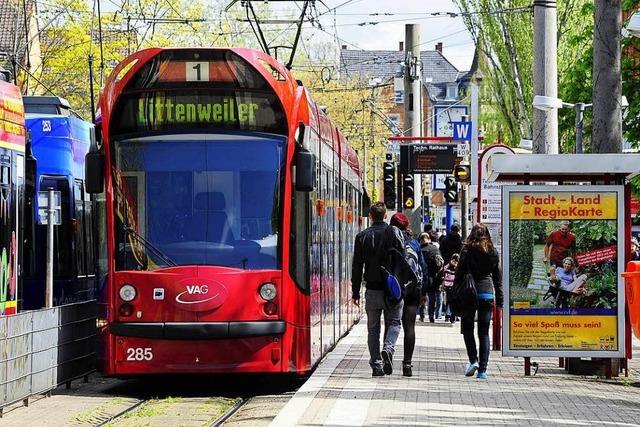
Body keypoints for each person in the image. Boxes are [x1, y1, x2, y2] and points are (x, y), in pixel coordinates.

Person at [351, 202, 404, 377]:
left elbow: (357, 266)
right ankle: (388, 348)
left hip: (372, 289)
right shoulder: (394, 233)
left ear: (371, 216)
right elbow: (402, 261)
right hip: (392, 289)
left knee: (373, 329)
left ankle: (376, 365)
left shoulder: (362, 236)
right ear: (385, 215)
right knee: (395, 323)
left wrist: (355, 292)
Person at [455, 223, 503, 379]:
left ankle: (473, 360)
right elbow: (497, 278)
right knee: (483, 333)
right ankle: (483, 370)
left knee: (467, 329)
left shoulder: (467, 251)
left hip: (469, 294)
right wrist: (500, 300)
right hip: (487, 294)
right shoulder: (493, 252)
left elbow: (459, 274)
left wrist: (454, 294)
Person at [390, 213, 428, 377]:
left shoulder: (389, 243)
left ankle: (387, 358)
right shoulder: (414, 244)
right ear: (407, 227)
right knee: (409, 327)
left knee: (391, 324)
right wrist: (423, 293)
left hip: (394, 289)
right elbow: (423, 269)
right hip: (413, 290)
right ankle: (407, 365)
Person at [420, 231, 444, 322]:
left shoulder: (419, 250)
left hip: (422, 276)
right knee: (432, 296)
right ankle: (431, 315)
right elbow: (440, 262)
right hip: (433, 276)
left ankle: (422, 314)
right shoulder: (435, 249)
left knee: (422, 295)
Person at [441, 253, 459, 323]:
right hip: (454, 285)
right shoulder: (458, 266)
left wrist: (442, 284)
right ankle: (453, 316)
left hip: (447, 285)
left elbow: (443, 273)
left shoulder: (447, 265)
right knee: (454, 301)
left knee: (448, 301)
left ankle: (447, 316)